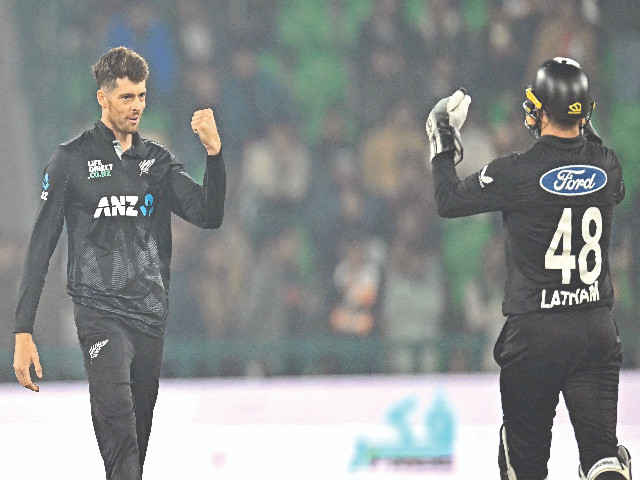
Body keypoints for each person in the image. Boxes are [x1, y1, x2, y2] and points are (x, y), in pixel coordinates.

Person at [12, 46, 226, 479]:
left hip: (149, 316)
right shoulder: (69, 160)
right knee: (120, 432)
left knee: (134, 449)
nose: (137, 107)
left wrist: (215, 156)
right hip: (98, 314)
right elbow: (41, 246)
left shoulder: (157, 162)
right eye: (127, 97)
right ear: (102, 98)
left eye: (142, 96)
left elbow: (209, 214)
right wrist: (23, 329)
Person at [425, 57, 631, 479]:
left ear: (537, 111)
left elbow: (448, 201)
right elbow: (590, 150)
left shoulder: (514, 172)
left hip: (534, 334)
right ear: (585, 111)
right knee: (602, 457)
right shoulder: (608, 167)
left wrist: (442, 135)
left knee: (525, 464)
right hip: (594, 328)